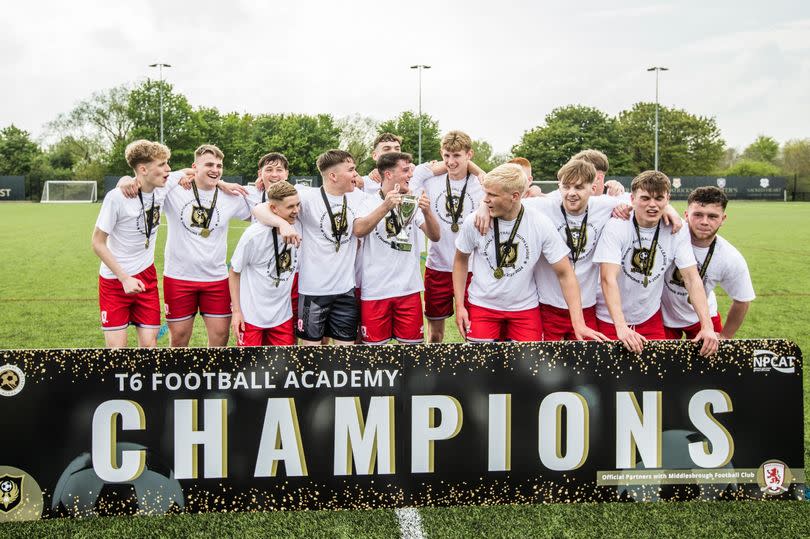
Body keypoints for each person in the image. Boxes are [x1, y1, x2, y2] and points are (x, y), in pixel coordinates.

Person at [453, 163, 604, 342]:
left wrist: (578, 323)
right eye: (485, 193)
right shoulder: (475, 221)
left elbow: (565, 273)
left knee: (528, 368)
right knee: (481, 367)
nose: (485, 199)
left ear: (515, 197)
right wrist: (460, 305)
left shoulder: (540, 222)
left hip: (524, 309)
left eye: (492, 195)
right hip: (482, 306)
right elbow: (460, 261)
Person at [592, 170, 719, 356]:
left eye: (659, 198)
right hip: (610, 318)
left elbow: (692, 278)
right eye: (645, 198)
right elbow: (607, 278)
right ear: (632, 198)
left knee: (655, 378)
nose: (652, 205)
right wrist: (621, 327)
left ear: (668, 199)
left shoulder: (677, 229)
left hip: (649, 317)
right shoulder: (617, 225)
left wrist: (707, 326)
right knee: (610, 379)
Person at [253, 149, 366, 346]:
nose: (355, 174)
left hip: (345, 291)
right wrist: (283, 224)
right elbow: (259, 208)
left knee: (345, 356)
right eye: (351, 169)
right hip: (313, 291)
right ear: (333, 175)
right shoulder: (307, 196)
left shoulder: (358, 196)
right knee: (311, 355)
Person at [161, 144, 253, 347]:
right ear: (195, 166)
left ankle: (215, 379)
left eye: (219, 166)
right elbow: (149, 178)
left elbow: (258, 213)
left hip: (216, 278)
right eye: (209, 164)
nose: (215, 169)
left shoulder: (231, 196)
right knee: (179, 337)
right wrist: (183, 174)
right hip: (179, 277)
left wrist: (222, 183)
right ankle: (178, 378)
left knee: (220, 337)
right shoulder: (175, 190)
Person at [353, 151, 440, 344]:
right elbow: (359, 230)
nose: (410, 174)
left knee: (411, 354)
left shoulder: (412, 200)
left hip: (408, 290)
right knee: (374, 354)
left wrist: (427, 212)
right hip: (376, 290)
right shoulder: (368, 201)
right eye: (406, 170)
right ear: (389, 174)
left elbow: (435, 235)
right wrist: (385, 206)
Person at [92, 140, 172, 348]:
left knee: (149, 348)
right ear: (143, 169)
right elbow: (97, 243)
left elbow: (196, 174)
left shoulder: (163, 187)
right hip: (115, 280)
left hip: (146, 276)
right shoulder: (116, 198)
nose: (168, 169)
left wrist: (224, 184)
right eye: (162, 164)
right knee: (117, 352)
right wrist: (124, 278)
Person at [662, 186, 755, 339]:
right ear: (686, 215)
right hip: (663, 317)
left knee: (712, 361)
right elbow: (641, 201)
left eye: (712, 216)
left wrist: (725, 336)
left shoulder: (730, 257)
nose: (704, 222)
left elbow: (742, 300)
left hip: (704, 316)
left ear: (723, 219)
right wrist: (666, 207)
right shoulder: (669, 231)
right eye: (698, 215)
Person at [420, 130, 485, 342]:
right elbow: (416, 175)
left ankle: (471, 375)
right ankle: (433, 374)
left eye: (457, 155)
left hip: (473, 269)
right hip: (438, 266)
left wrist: (476, 170)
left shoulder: (481, 185)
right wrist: (436, 167)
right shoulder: (431, 181)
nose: (450, 161)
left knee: (472, 332)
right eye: (446, 155)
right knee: (435, 335)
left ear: (469, 154)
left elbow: (492, 181)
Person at [229, 181, 301, 346]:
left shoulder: (298, 226)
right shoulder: (254, 235)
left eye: (298, 205)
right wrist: (237, 312)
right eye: (290, 207)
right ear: (274, 209)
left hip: (282, 316)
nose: (296, 211)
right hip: (251, 316)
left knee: (282, 369)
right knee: (249, 369)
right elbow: (234, 272)